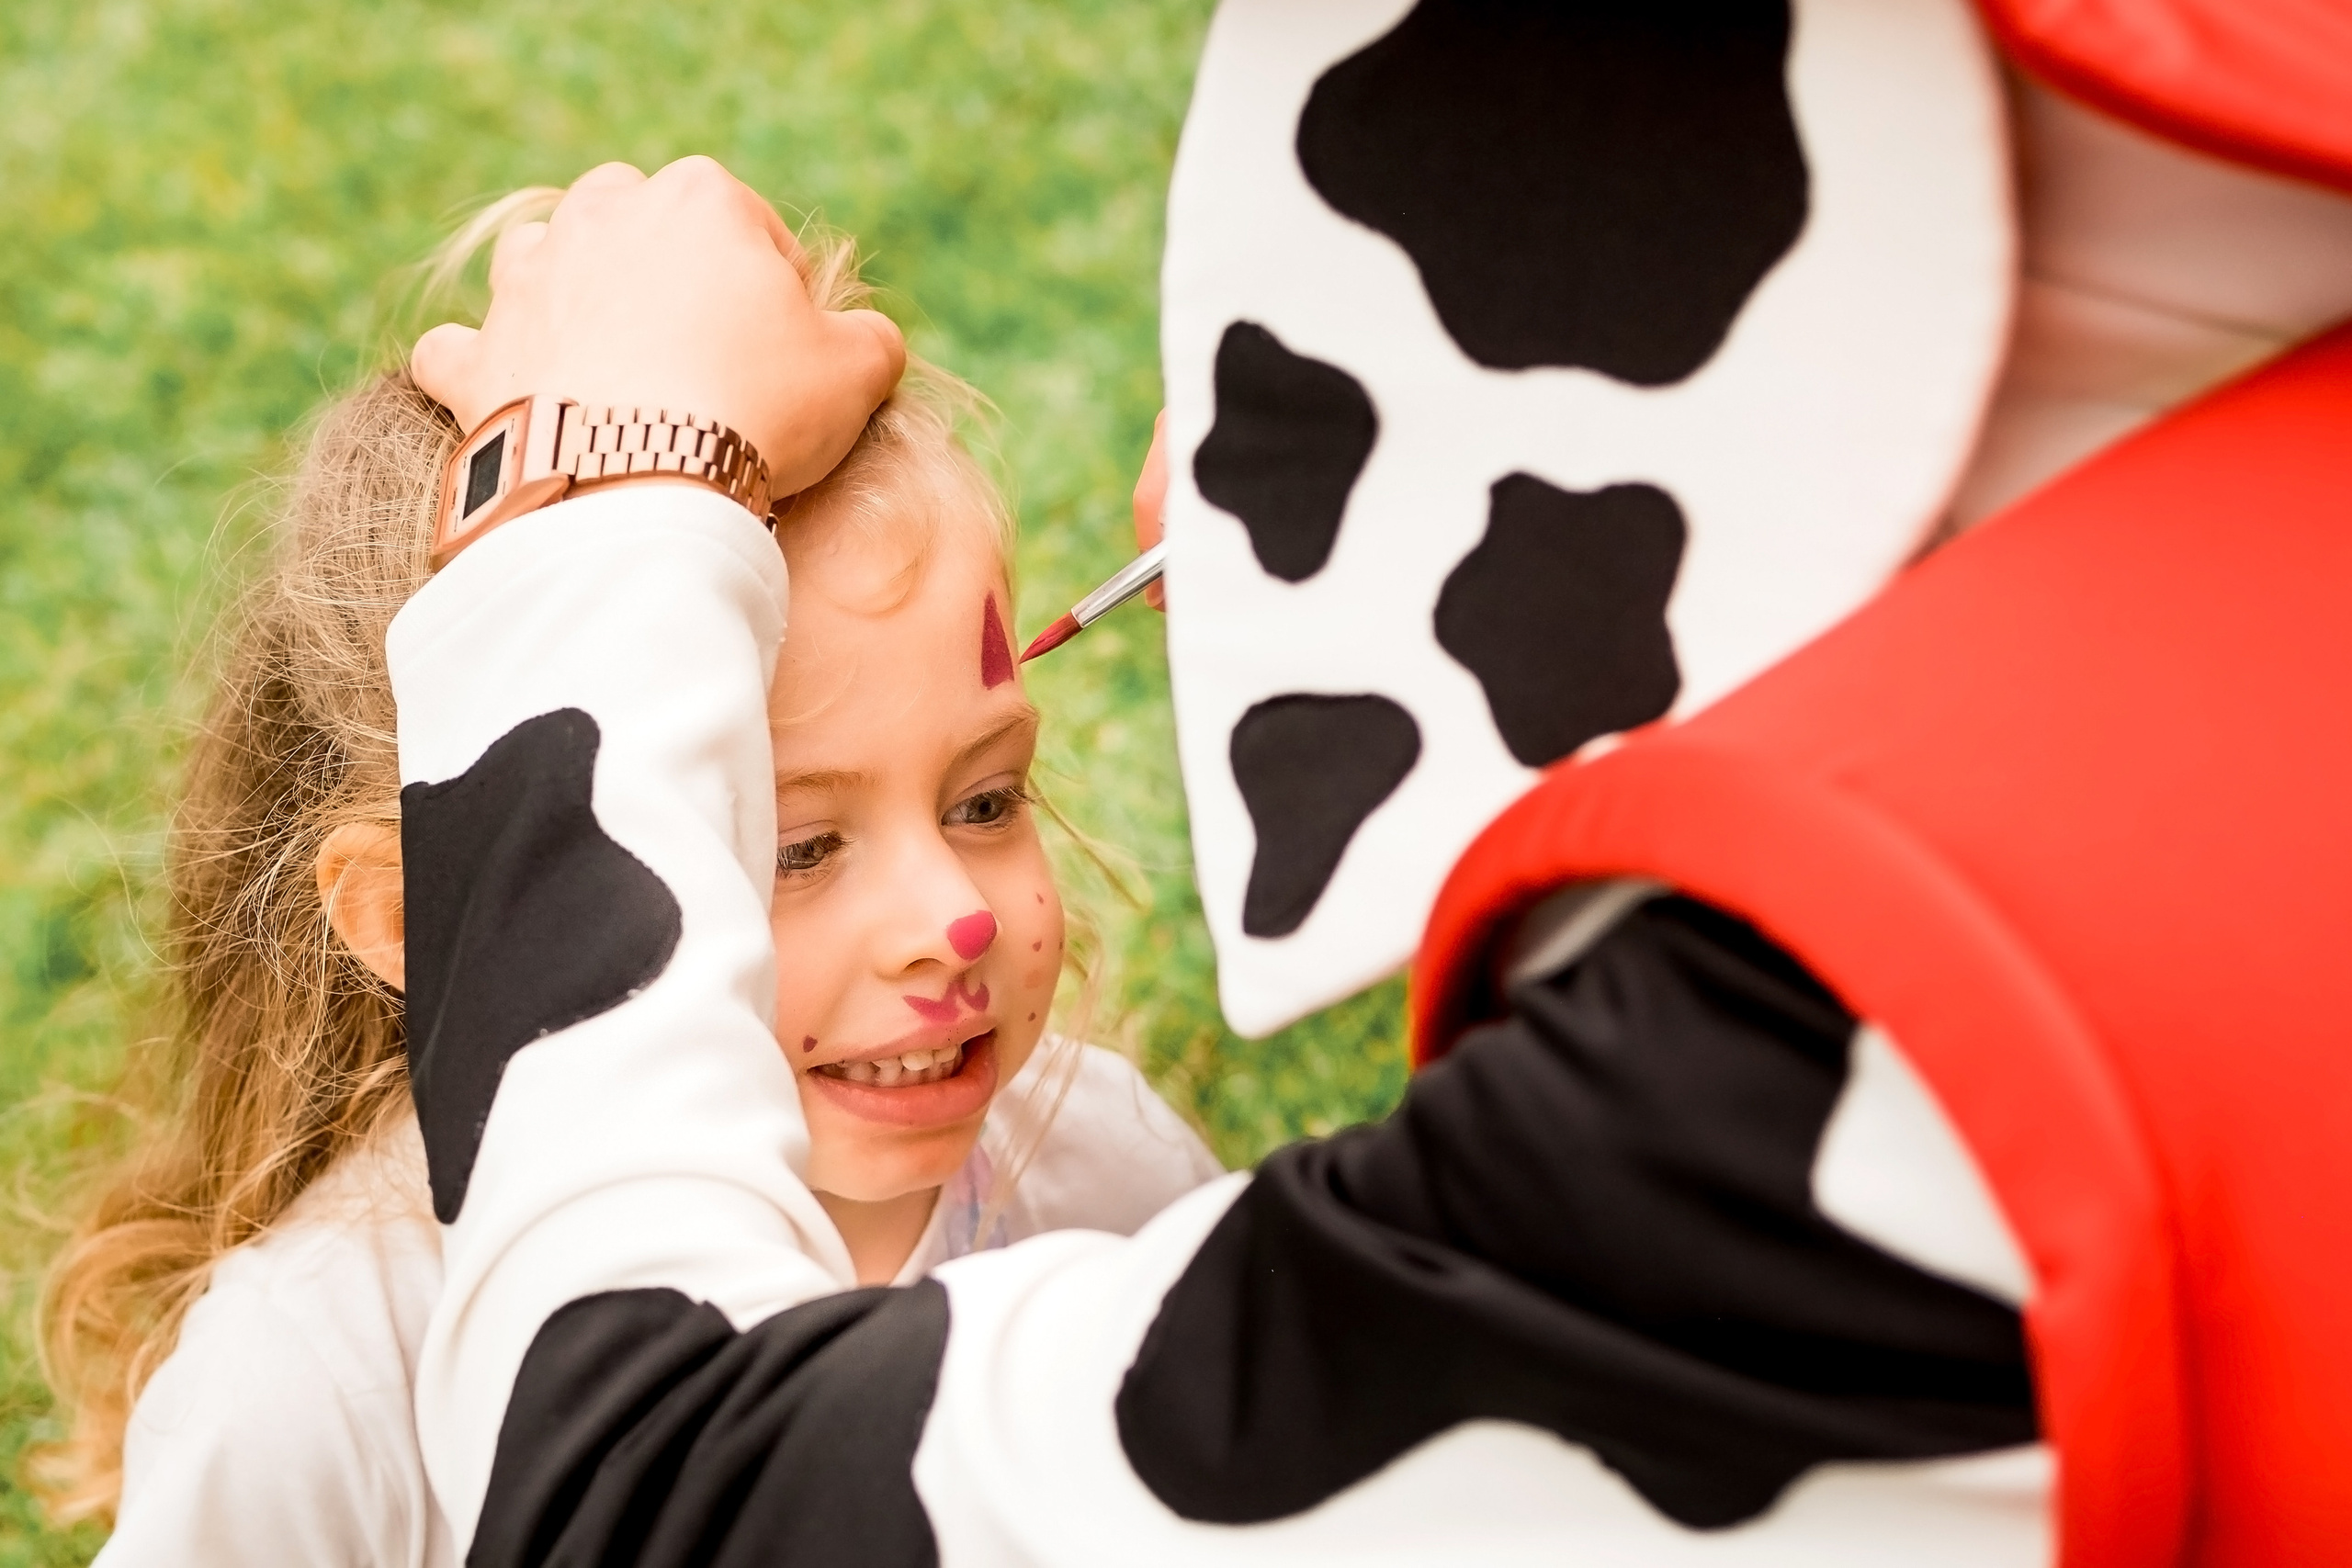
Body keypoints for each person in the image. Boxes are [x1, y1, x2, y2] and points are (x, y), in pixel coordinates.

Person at [386, 0, 2352, 1559]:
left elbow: (653, 1503)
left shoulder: (1864, 1070)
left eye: (984, 793)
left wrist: (596, 497)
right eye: (792, 839)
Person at [40, 191, 1217, 1567]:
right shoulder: (317, 1384)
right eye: (793, 845)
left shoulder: (1107, 1181)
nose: (946, 920)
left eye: (984, 800)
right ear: (433, 913)